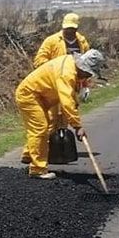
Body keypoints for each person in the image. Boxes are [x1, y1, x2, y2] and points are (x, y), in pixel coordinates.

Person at [15, 48, 105, 179]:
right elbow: (66, 101)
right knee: (40, 128)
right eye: (87, 73)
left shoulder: (72, 66)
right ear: (82, 67)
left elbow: (70, 96)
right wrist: (77, 126)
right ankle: (38, 169)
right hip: (30, 95)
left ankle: (29, 154)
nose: (86, 77)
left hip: (41, 96)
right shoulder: (67, 72)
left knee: (45, 126)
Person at [24, 13, 93, 157]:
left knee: (64, 119)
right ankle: (31, 153)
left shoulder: (82, 42)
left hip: (71, 84)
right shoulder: (52, 41)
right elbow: (38, 60)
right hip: (53, 86)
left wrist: (85, 85)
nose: (69, 31)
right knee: (48, 120)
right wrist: (55, 69)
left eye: (72, 29)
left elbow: (86, 67)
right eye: (67, 28)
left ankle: (54, 151)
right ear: (63, 26)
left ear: (77, 28)